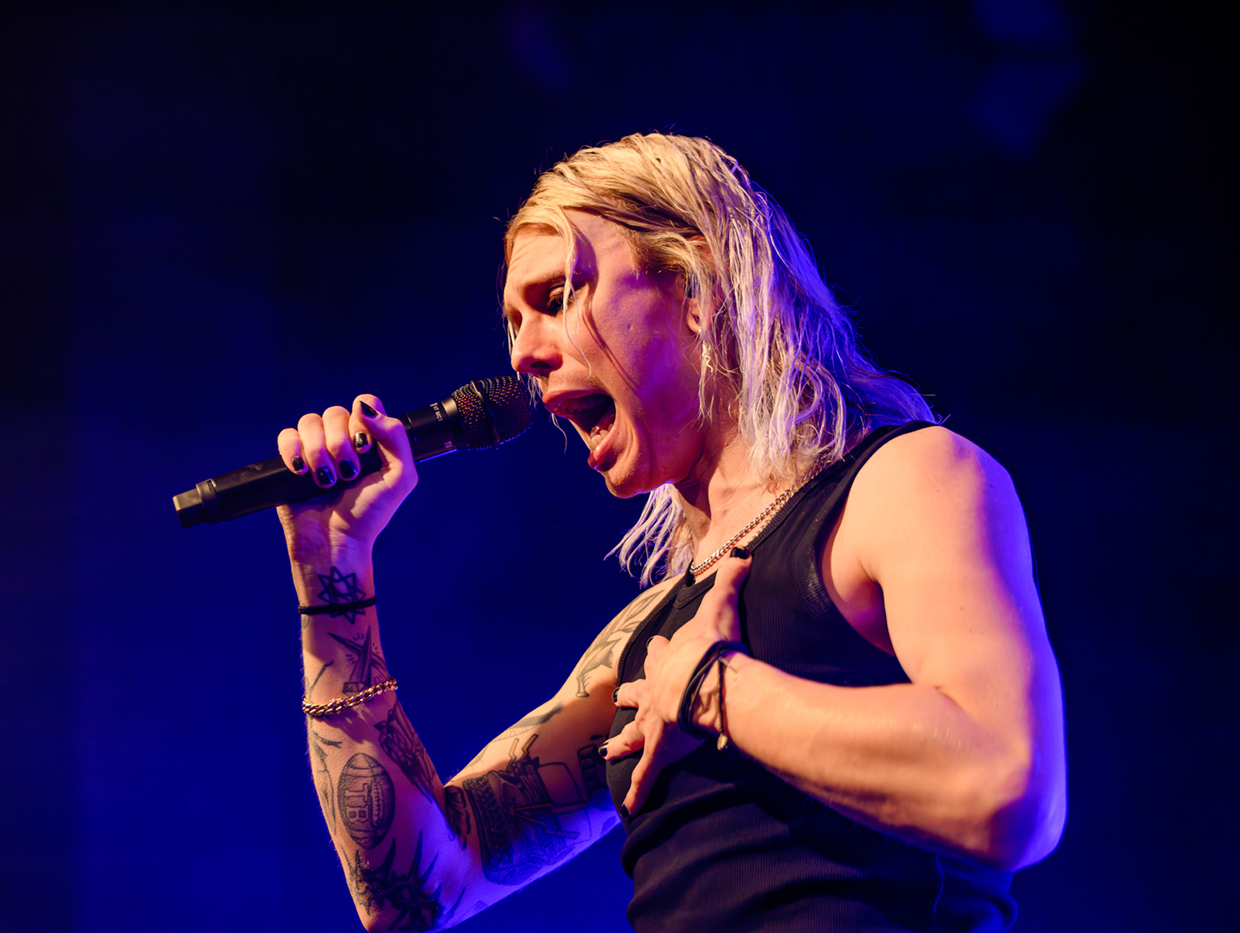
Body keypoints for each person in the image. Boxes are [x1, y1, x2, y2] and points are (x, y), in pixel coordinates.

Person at [275, 133, 1066, 932]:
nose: (522, 355)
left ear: (696, 284)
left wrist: (717, 691)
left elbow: (1009, 788)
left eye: (556, 298)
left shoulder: (905, 481)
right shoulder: (647, 639)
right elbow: (420, 887)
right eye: (513, 323)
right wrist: (333, 573)